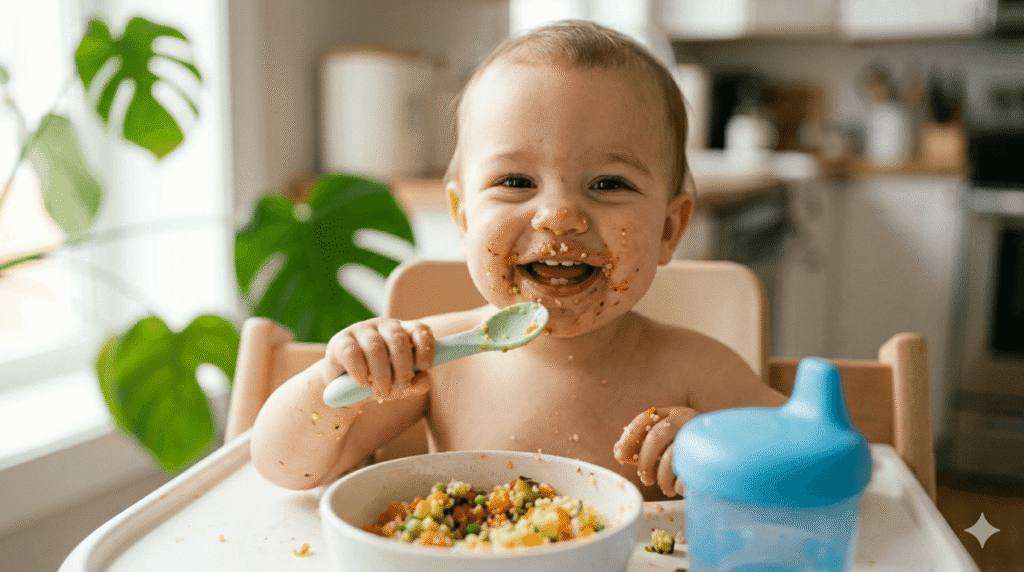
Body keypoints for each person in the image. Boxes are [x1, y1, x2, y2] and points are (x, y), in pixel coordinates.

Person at [250, 20, 786, 501]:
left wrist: (719, 453)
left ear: (670, 229)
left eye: (608, 183)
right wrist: (334, 383)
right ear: (463, 219)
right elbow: (284, 467)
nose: (558, 215)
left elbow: (810, 461)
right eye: (515, 182)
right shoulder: (436, 363)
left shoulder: (696, 370)